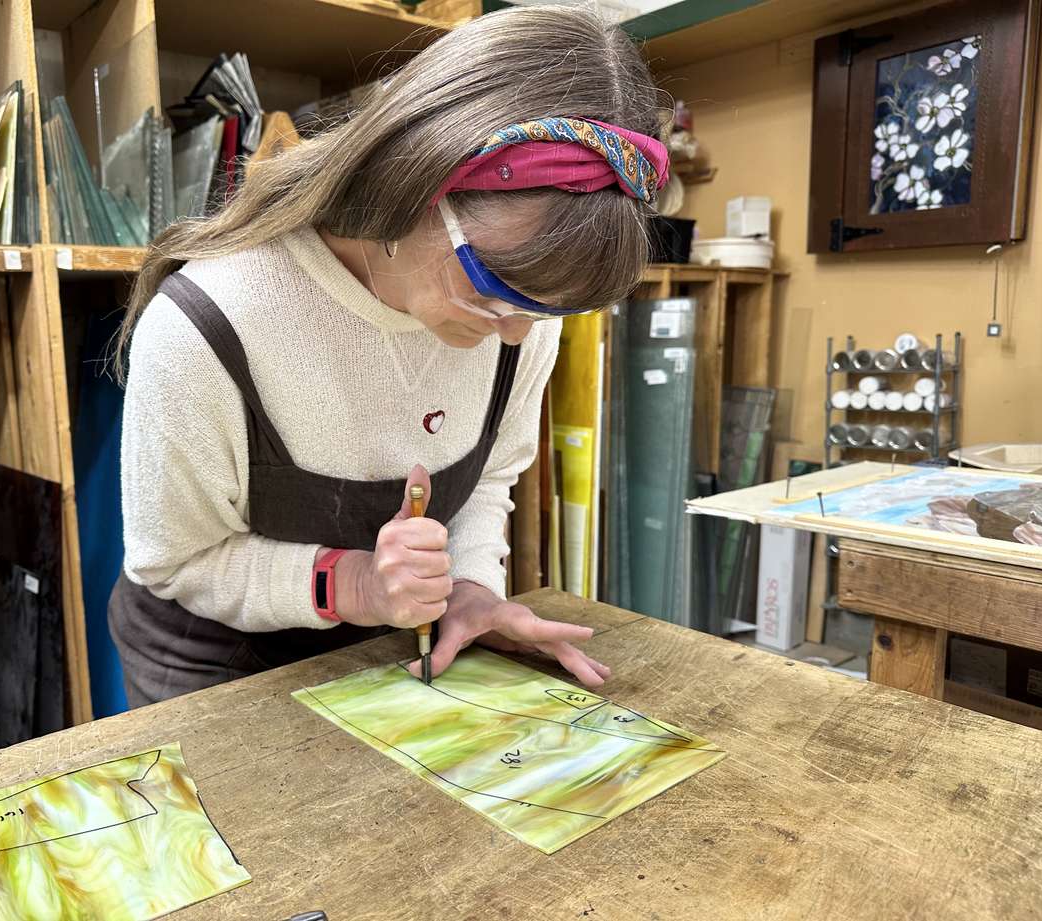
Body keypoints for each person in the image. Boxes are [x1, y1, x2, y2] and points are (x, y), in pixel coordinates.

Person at [108, 4, 668, 708]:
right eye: (493, 289)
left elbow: (491, 477)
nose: (518, 334)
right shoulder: (210, 323)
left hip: (382, 653)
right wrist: (357, 583)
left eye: (548, 309)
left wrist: (469, 588)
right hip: (210, 663)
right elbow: (176, 560)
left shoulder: (521, 310)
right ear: (414, 185)